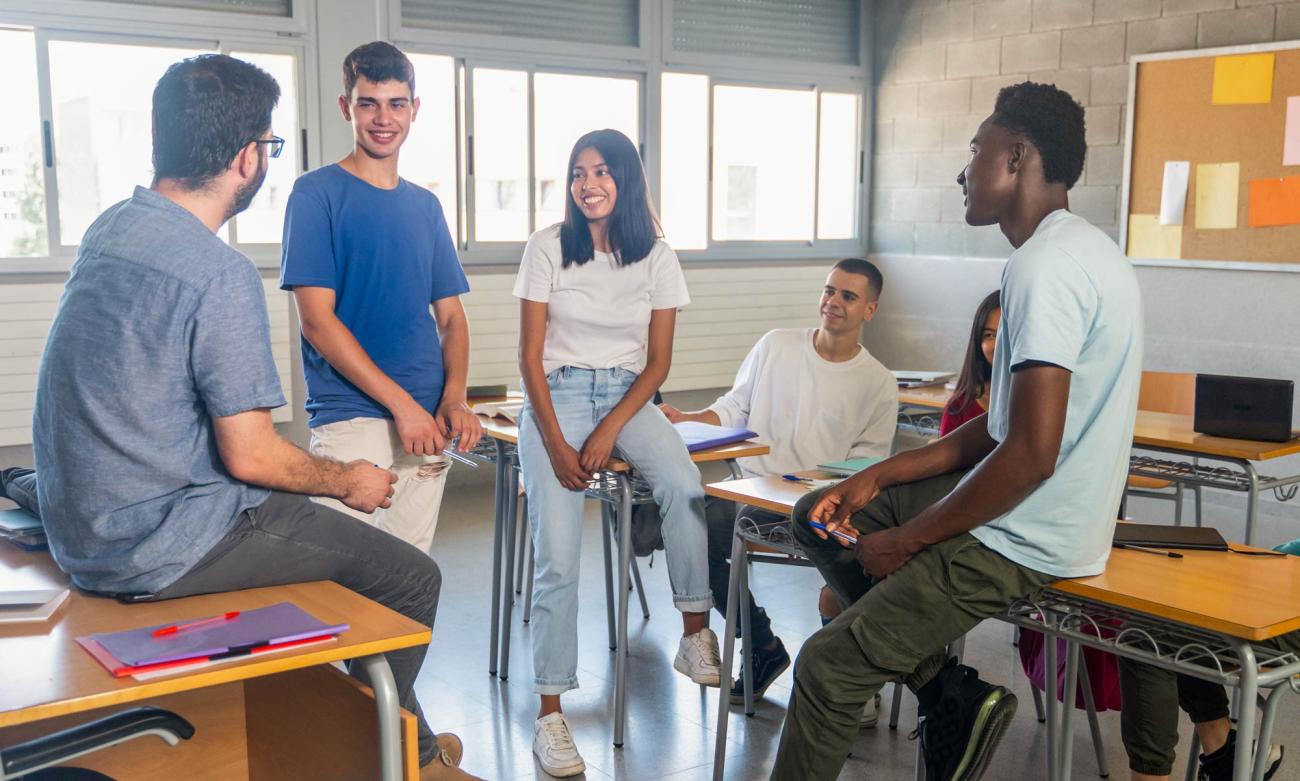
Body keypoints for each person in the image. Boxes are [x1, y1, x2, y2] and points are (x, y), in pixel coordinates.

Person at [2, 54, 481, 781]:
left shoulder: (111, 228)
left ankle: (387, 739)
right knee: (412, 579)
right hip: (161, 540)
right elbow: (252, 456)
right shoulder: (219, 271)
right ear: (248, 158)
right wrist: (346, 479)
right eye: (269, 144)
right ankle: (397, 756)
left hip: (86, 519)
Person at [770, 81, 1144, 781]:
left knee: (827, 666)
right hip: (1039, 513)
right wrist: (875, 476)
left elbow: (1030, 456)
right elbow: (1001, 431)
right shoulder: (1084, 250)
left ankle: (946, 694)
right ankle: (948, 692)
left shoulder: (1045, 267)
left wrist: (909, 539)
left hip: (1025, 537)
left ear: (1017, 157)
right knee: (818, 514)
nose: (963, 170)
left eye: (976, 150)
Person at [514, 128, 718, 778]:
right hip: (557, 394)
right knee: (558, 556)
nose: (588, 184)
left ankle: (694, 634)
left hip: (629, 396)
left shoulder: (656, 256)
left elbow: (658, 363)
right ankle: (550, 713)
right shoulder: (548, 245)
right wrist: (556, 441)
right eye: (579, 173)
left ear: (626, 179)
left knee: (685, 484)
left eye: (601, 171)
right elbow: (529, 357)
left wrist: (609, 430)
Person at [659, 258, 898, 711]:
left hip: (820, 506)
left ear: (870, 310)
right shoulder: (776, 345)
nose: (833, 302)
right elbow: (734, 408)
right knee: (692, 529)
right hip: (751, 491)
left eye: (848, 296)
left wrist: (814, 489)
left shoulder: (879, 383)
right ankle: (761, 643)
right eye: (829, 290)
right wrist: (688, 418)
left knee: (863, 554)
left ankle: (850, 674)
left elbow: (865, 468)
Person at [280, 41, 479, 554]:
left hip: (428, 421)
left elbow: (452, 319)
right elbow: (317, 322)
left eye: (396, 104)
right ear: (346, 107)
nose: (383, 118)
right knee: (342, 581)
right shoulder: (315, 194)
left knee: (409, 577)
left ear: (414, 109)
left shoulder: (426, 207)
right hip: (353, 418)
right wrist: (402, 407)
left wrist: (454, 397)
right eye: (368, 103)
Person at [940, 290, 1001, 437]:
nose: (999, 345)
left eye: (1007, 333)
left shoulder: (1045, 404)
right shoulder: (959, 407)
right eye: (989, 335)